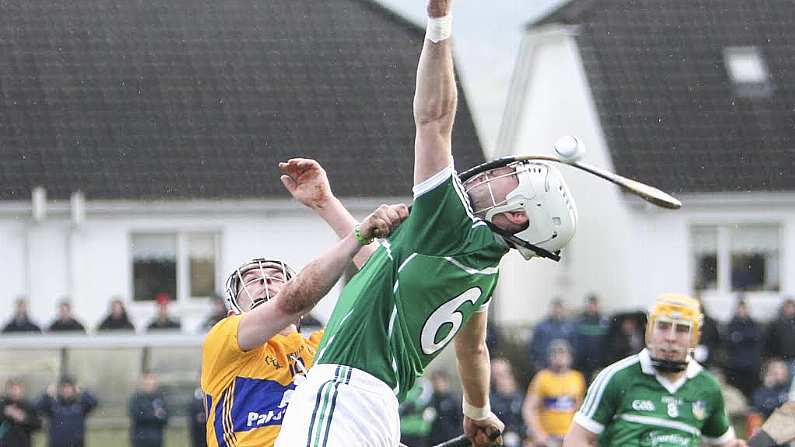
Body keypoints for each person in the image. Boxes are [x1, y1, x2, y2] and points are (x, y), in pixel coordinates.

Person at [276, 0, 578, 445]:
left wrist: (439, 23)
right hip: (379, 408)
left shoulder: (450, 222)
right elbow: (470, 346)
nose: (493, 175)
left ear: (515, 218)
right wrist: (478, 411)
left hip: (340, 392)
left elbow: (434, 119)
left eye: (507, 181)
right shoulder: (485, 272)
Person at [201, 158, 408, 447]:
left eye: (276, 277)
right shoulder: (224, 341)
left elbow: (387, 286)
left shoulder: (325, 347)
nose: (265, 282)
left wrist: (325, 202)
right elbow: (289, 303)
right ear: (233, 309)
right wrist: (360, 233)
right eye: (252, 280)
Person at [563, 294, 747, 447]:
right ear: (648, 331)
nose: (670, 338)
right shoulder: (616, 378)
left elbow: (724, 443)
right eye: (663, 327)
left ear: (695, 337)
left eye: (682, 330)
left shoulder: (707, 387)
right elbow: (577, 439)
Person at [523, 340, 585, 447]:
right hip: (548, 438)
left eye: (562, 353)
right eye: (555, 353)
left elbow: (581, 409)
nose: (559, 357)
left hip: (569, 436)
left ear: (570, 356)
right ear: (549, 357)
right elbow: (529, 409)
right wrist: (538, 433)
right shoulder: (542, 378)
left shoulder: (577, 378)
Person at [36, 376, 98, 447]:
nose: (66, 390)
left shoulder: (81, 405)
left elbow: (94, 402)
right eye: (64, 387)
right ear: (59, 390)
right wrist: (47, 394)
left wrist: (83, 390)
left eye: (69, 387)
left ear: (74, 389)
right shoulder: (52, 404)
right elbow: (36, 406)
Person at [726, 299, 762, 397]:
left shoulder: (753, 324)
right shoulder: (732, 324)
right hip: (736, 365)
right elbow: (729, 341)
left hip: (751, 365)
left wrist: (740, 337)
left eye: (743, 308)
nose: (741, 311)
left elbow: (756, 338)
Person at [530, 299, 578, 371]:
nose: (557, 311)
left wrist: (571, 362)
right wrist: (536, 362)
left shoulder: (570, 327)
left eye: (559, 308)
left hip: (565, 369)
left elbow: (575, 346)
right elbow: (534, 346)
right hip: (544, 366)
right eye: (555, 308)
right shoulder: (541, 327)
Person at [490, 358, 526, 447]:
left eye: (504, 375)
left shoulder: (519, 397)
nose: (503, 380)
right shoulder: (492, 400)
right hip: (500, 437)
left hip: (519, 436)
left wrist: (523, 436)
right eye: (498, 376)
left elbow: (524, 420)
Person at [573, 295, 608, 381]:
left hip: (599, 362)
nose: (592, 307)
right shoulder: (579, 321)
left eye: (594, 304)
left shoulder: (604, 322)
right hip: (582, 364)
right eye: (590, 305)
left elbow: (607, 343)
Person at [129, 372, 169, 447]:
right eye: (147, 382)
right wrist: (155, 415)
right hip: (140, 440)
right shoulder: (136, 399)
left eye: (152, 381)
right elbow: (137, 416)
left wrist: (150, 414)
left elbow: (166, 418)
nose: (149, 384)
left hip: (157, 440)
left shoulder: (160, 398)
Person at [0, 378, 41, 447]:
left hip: (23, 444)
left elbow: (37, 425)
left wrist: (23, 418)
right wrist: (5, 414)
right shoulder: (2, 405)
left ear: (22, 390)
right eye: (12, 389)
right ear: (8, 390)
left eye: (17, 389)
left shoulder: (28, 406)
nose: (14, 391)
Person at [426, 370, 462, 446]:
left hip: (450, 438)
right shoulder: (431, 400)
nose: (438, 384)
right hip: (435, 440)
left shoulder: (452, 399)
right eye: (435, 381)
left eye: (440, 381)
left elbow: (459, 419)